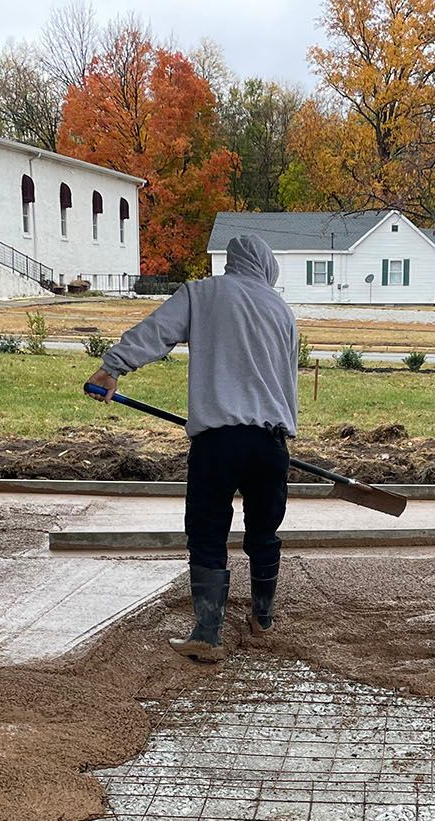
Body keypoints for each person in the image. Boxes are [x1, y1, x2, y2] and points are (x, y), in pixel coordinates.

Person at [85, 234, 298, 662]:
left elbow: (157, 332)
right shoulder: (282, 311)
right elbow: (287, 379)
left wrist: (112, 368)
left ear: (231, 262)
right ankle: (263, 618)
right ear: (268, 266)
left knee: (207, 530)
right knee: (263, 530)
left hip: (218, 442)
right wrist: (284, 434)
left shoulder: (202, 294)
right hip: (270, 443)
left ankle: (207, 632)